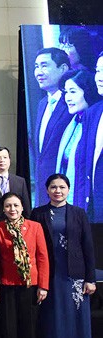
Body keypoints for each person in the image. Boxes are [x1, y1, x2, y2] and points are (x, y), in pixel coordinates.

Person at [31, 174, 95, 338]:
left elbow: (88, 247)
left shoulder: (79, 213)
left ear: (68, 189)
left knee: (76, 322)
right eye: (53, 187)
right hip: (49, 275)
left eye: (61, 187)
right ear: (46, 190)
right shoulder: (38, 213)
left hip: (74, 276)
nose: (57, 191)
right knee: (54, 322)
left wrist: (90, 278)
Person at [0, 192, 49, 338]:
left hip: (30, 285)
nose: (12, 209)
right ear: (3, 209)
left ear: (23, 207)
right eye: (8, 206)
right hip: (7, 285)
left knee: (28, 329)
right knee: (10, 329)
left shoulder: (35, 227)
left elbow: (42, 258)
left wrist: (43, 286)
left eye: (16, 205)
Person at [32, 48, 72, 206]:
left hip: (66, 190)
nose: (38, 72)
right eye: (36, 66)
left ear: (62, 68)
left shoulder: (72, 103)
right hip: (44, 191)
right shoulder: (42, 104)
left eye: (44, 65)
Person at [54, 70, 100, 204]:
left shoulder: (95, 126)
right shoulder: (72, 124)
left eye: (73, 92)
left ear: (88, 91)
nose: (68, 97)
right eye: (66, 92)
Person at [75, 52, 103, 220]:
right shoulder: (93, 112)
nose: (99, 77)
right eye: (98, 71)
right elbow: (83, 164)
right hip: (95, 211)